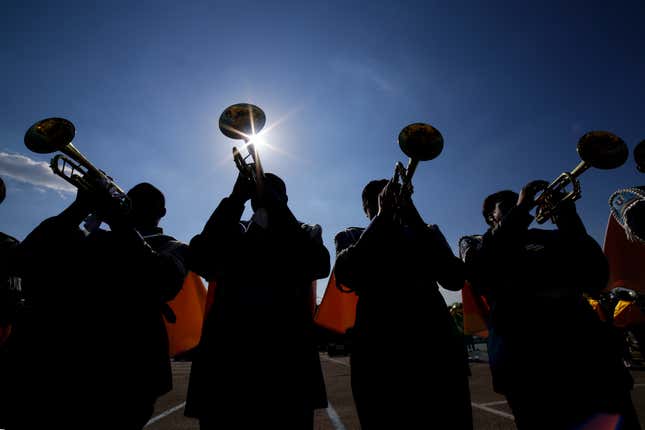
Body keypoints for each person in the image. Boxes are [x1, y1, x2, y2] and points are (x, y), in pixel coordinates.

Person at [4, 180, 187, 429]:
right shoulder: (90, 240)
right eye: (130, 199)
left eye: (145, 201)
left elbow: (162, 279)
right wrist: (79, 207)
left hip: (124, 378)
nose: (133, 204)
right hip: (56, 372)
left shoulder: (173, 248)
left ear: (162, 212)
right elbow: (22, 259)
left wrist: (118, 221)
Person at [463, 181, 640, 430]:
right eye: (508, 205)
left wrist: (567, 215)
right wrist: (521, 209)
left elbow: (596, 276)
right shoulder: (479, 244)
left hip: (590, 359)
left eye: (520, 200)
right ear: (490, 217)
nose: (519, 204)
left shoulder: (555, 238)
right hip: (529, 368)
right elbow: (480, 275)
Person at [185, 172, 330, 429]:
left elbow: (317, 263)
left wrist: (278, 209)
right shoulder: (231, 230)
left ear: (285, 198)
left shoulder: (304, 231)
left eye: (274, 192)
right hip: (226, 369)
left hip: (287, 370)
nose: (265, 195)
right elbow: (198, 256)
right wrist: (235, 198)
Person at [334, 179, 472, 430]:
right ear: (368, 208)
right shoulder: (350, 235)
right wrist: (382, 217)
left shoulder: (426, 230)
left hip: (438, 353)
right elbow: (347, 275)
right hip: (380, 359)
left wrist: (414, 218)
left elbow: (454, 279)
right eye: (384, 199)